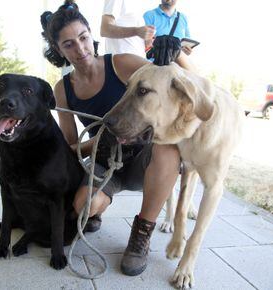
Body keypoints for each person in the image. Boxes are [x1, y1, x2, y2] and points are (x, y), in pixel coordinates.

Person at [41, 0, 192, 276]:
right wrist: (101, 138)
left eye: (83, 38)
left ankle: (142, 234)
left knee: (168, 147)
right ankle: (98, 211)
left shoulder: (121, 63)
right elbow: (70, 148)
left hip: (143, 158)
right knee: (84, 206)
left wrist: (171, 56)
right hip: (105, 159)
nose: (80, 48)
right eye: (69, 44)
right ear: (58, 50)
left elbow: (167, 83)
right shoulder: (62, 89)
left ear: (91, 35)